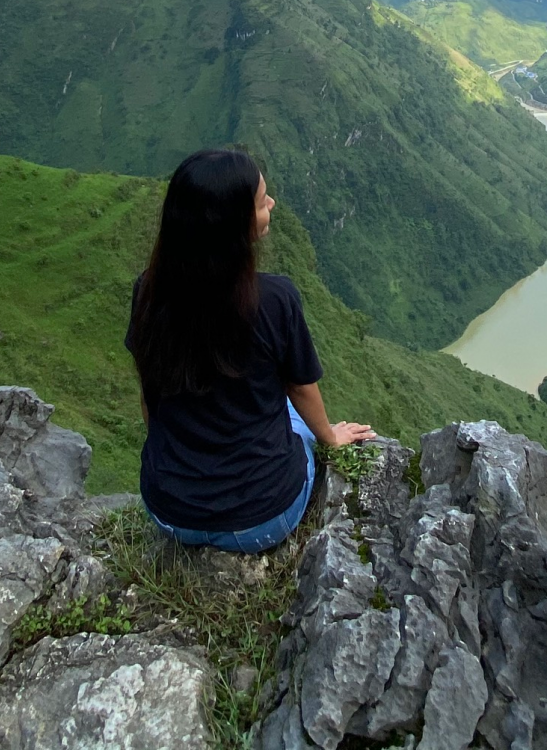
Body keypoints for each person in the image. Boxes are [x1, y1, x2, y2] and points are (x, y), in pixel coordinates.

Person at [125, 148, 376, 552]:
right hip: (262, 519)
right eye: (262, 201)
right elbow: (301, 388)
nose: (272, 203)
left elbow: (149, 391)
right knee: (293, 415)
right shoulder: (274, 298)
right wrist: (330, 436)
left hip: (169, 512)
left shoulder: (149, 292)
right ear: (235, 225)